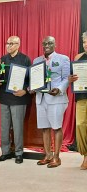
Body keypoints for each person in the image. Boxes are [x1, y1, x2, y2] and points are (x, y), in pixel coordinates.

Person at [0, 36, 31, 164]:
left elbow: (31, 79)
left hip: (19, 98)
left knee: (17, 127)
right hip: (4, 97)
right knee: (4, 127)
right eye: (7, 43)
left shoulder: (25, 59)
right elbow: (0, 77)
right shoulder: (2, 59)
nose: (8, 46)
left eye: (12, 43)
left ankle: (19, 153)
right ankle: (5, 152)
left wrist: (25, 90)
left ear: (18, 45)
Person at [33, 36, 70, 168]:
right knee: (45, 128)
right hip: (40, 98)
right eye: (44, 43)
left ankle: (57, 157)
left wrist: (59, 89)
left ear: (55, 44)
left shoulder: (63, 59)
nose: (47, 45)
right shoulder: (37, 60)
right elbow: (34, 79)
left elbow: (66, 78)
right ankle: (48, 155)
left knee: (56, 127)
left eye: (50, 43)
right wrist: (31, 87)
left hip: (56, 99)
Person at [68, 31, 87, 170]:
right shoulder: (78, 57)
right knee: (80, 125)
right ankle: (85, 155)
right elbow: (73, 76)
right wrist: (71, 79)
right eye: (84, 42)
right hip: (81, 96)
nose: (86, 45)